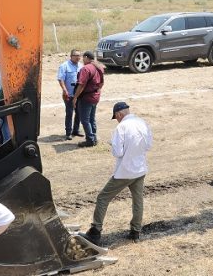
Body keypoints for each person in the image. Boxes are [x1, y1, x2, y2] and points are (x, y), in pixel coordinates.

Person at [83, 102, 153, 245]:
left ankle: (95, 231)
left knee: (103, 198)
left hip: (125, 171)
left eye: (116, 117)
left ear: (119, 114)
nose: (117, 120)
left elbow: (118, 152)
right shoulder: (142, 123)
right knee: (137, 200)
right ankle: (135, 231)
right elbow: (148, 145)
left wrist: (113, 145)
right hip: (140, 169)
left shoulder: (121, 128)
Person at [73, 51, 105, 148]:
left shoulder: (86, 69)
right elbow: (101, 83)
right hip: (95, 96)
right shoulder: (99, 67)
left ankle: (90, 140)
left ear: (86, 57)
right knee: (92, 118)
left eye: (83, 58)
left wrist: (75, 97)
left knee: (85, 120)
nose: (82, 60)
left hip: (86, 97)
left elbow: (81, 85)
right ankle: (94, 137)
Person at [57, 50, 82, 140]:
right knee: (69, 113)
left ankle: (76, 130)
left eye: (79, 55)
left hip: (78, 94)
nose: (78, 57)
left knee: (79, 113)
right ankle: (68, 132)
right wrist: (64, 90)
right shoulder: (64, 66)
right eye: (76, 55)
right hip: (69, 94)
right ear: (71, 56)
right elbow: (60, 79)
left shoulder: (81, 65)